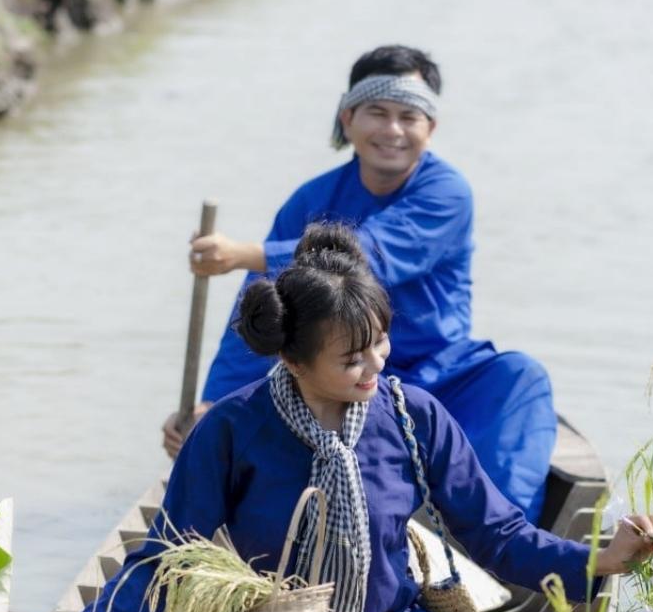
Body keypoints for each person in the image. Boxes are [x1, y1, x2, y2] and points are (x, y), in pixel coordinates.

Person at [12, 225, 653, 612]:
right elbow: (166, 559)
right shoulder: (234, 429)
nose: (375, 364)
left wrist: (602, 560)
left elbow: (498, 534)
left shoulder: (414, 417)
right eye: (351, 357)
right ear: (293, 360)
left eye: (380, 341)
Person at [163, 45, 558, 523]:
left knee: (520, 377)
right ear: (347, 119)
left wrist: (248, 252)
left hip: (437, 371)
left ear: (429, 129)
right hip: (343, 374)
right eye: (377, 112)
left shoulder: (447, 191)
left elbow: (373, 253)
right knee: (265, 407)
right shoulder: (311, 198)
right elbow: (262, 312)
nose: (392, 131)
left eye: (409, 116)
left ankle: (496, 532)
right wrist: (213, 404)